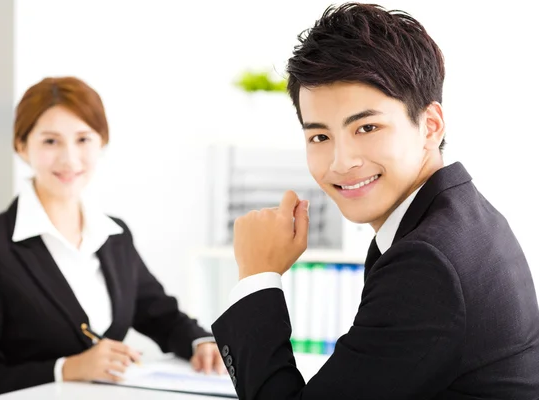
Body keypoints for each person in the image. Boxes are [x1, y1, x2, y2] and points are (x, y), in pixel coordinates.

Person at [211, 3, 539, 399]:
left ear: (430, 126)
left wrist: (257, 277)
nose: (341, 161)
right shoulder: (459, 217)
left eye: (367, 127)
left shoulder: (427, 263)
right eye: (319, 136)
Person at [0, 76, 224, 400]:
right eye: (50, 142)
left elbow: (159, 313)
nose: (70, 159)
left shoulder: (114, 234)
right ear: (22, 146)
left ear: (101, 142)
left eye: (83, 139)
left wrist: (201, 342)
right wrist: (67, 368)